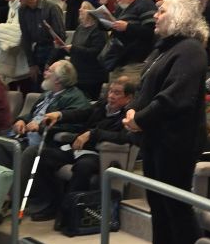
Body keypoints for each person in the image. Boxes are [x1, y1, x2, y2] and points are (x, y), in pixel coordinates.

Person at [123, 0, 210, 244]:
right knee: (157, 201)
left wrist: (140, 118)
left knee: (176, 205)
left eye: (161, 11)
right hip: (156, 138)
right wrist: (134, 111)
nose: (155, 16)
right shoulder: (166, 48)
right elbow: (146, 85)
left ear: (178, 16)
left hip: (177, 141)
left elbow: (175, 98)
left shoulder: (190, 50)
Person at [29, 76, 137, 221]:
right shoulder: (101, 105)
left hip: (99, 154)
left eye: (117, 93)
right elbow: (81, 113)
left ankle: (69, 212)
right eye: (110, 91)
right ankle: (51, 204)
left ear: (128, 98)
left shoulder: (129, 117)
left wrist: (93, 134)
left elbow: (125, 137)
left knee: (83, 167)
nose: (111, 96)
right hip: (77, 148)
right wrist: (60, 115)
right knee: (44, 156)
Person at [100, 0, 156, 79]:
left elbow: (151, 32)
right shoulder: (121, 8)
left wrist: (127, 27)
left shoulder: (145, 3)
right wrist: (102, 3)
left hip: (135, 62)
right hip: (119, 60)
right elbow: (105, 27)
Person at [17, 0, 65, 91]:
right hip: (38, 51)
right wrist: (31, 64)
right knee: (37, 88)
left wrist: (50, 62)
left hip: (54, 51)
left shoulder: (52, 8)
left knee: (51, 88)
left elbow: (60, 37)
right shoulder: (22, 10)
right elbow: (26, 37)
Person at [54, 1, 107, 100]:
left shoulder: (98, 29)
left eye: (84, 8)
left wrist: (73, 48)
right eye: (80, 7)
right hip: (78, 74)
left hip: (92, 76)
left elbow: (96, 52)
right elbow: (74, 49)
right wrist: (62, 47)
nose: (80, 9)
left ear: (91, 12)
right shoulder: (80, 28)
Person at [0, 0, 31, 87]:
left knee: (25, 88)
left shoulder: (23, 6)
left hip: (24, 56)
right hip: (13, 55)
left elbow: (19, 30)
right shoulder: (12, 6)